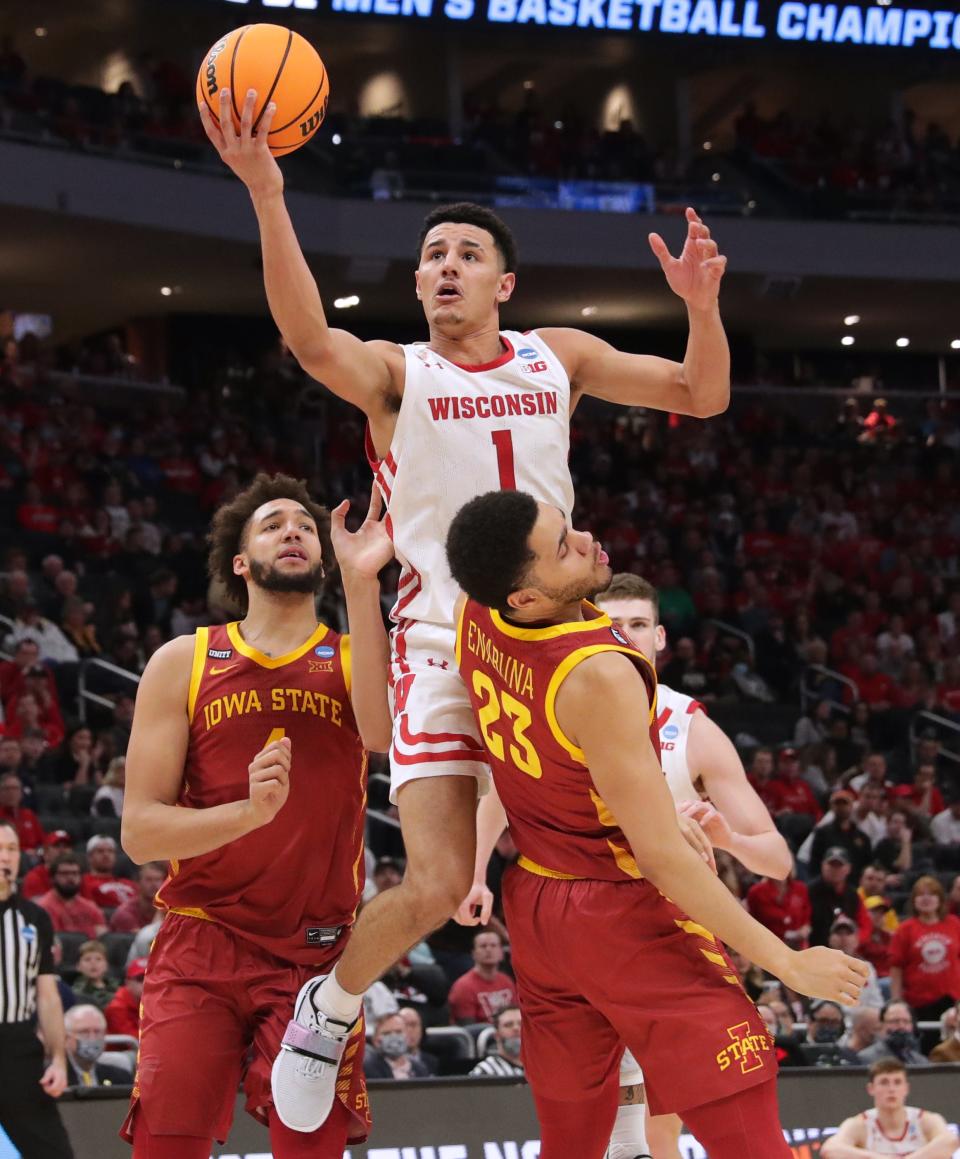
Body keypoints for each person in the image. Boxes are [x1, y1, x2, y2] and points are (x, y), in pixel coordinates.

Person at [202, 85, 734, 1134]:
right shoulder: (397, 375)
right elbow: (310, 339)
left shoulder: (558, 356)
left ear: (503, 280)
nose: (441, 265)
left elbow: (700, 395)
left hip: (552, 633)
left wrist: (705, 308)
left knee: (621, 846)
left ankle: (642, 1042)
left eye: (462, 252)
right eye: (429, 255)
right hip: (443, 642)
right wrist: (269, 193)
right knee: (442, 882)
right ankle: (331, 1003)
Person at [443, 491, 867, 1159]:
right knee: (753, 1138)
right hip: (617, 910)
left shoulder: (477, 608)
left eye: (569, 527)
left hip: (536, 900)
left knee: (571, 1143)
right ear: (525, 596)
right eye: (563, 547)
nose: (584, 540)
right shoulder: (600, 675)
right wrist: (785, 960)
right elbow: (665, 858)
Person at [119, 473, 393, 1157]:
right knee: (167, 1144)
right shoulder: (184, 661)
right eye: (272, 524)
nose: (293, 530)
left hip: (317, 954)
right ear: (240, 562)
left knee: (311, 1145)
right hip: (201, 938)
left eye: (304, 524)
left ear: (324, 559)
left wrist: (364, 582)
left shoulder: (356, 657)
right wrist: (248, 813)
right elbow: (139, 830)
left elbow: (383, 735)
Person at [592, 572, 792, 1159]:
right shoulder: (562, 712)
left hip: (677, 942)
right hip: (590, 935)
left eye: (635, 625)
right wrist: (474, 875)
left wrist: (728, 837)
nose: (623, 635)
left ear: (658, 638)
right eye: (610, 625)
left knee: (674, 1120)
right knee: (614, 1128)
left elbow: (777, 859)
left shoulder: (692, 727)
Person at [0, 819, 73, 1159]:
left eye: (11, 849)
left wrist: (57, 1059)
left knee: (53, 1151)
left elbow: (47, 995)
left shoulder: (35, 918)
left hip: (18, 1047)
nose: (5, 857)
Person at [821, 1058, 957, 1157]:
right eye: (884, 1082)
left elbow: (950, 1141)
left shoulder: (925, 1120)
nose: (891, 1089)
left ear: (906, 1088)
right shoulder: (859, 1124)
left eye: (897, 1082)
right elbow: (830, 1149)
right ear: (871, 1089)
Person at [889, 876, 960, 1024]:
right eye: (920, 895)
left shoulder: (954, 924)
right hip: (919, 1002)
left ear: (940, 899)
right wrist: (896, 1000)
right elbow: (896, 967)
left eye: (931, 894)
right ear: (914, 900)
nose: (926, 898)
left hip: (954, 1001)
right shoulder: (904, 929)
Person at [447, 930, 518, 1025]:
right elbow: (467, 1027)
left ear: (501, 953)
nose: (488, 949)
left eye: (493, 945)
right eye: (483, 946)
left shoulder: (507, 981)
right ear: (473, 953)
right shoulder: (463, 986)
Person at [808, 848, 869, 947]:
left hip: (845, 952)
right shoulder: (809, 891)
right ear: (822, 866)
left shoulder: (853, 895)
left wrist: (854, 940)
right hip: (814, 950)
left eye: (839, 865)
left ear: (848, 868)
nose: (835, 869)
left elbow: (865, 925)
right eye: (831, 865)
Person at [36, 853, 108, 938]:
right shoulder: (43, 908)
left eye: (75, 873)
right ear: (52, 878)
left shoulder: (91, 908)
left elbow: (103, 938)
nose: (70, 877)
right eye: (64, 873)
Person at [64, 1004, 130, 1088]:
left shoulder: (121, 1078)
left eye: (97, 1032)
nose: (92, 1038)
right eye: (84, 1032)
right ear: (66, 1037)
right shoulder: (52, 1079)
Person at [857, 1002, 930, 1067]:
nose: (901, 1026)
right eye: (895, 1021)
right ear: (882, 1025)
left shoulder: (921, 1062)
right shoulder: (866, 1058)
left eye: (906, 1021)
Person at [361, 1012, 430, 1080]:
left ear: (407, 1035)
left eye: (398, 1032)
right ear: (376, 1040)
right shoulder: (368, 1069)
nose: (394, 1037)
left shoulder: (420, 1069)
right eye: (387, 1033)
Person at [108, 861, 167, 933]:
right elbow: (146, 941)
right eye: (148, 879)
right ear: (137, 883)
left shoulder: (169, 909)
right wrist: (159, 913)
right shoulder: (125, 913)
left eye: (158, 880)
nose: (154, 884)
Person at [82, 834, 137, 910]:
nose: (106, 854)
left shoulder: (129, 883)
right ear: (89, 857)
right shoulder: (84, 882)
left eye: (110, 851)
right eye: (100, 851)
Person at [469, 1005, 524, 1077]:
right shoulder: (484, 1071)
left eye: (522, 1024)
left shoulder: (541, 1065)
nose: (516, 1028)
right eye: (508, 1025)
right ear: (496, 1035)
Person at [0, 771, 44, 855]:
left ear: (21, 793)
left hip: (33, 860)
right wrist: (23, 852)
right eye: (7, 789)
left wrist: (38, 852)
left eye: (15, 788)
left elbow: (43, 843)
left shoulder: (29, 815)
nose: (11, 793)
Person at [21, 829, 74, 899]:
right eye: (57, 846)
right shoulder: (34, 877)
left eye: (66, 846)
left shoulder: (78, 876)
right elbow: (35, 908)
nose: (62, 850)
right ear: (46, 853)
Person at [71, 939, 119, 1011]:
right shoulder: (76, 992)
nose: (93, 963)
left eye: (98, 959)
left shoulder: (117, 989)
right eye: (87, 959)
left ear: (106, 965)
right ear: (78, 966)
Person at [105, 957, 147, 1039]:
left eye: (151, 977)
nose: (146, 983)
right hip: (122, 1051)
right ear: (127, 982)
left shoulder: (156, 1002)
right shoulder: (116, 1007)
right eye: (140, 979)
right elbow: (133, 1039)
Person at [398, 1006, 438, 1075]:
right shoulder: (385, 1063)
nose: (409, 1030)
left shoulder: (432, 1062)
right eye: (405, 1025)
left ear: (421, 1029)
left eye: (413, 1025)